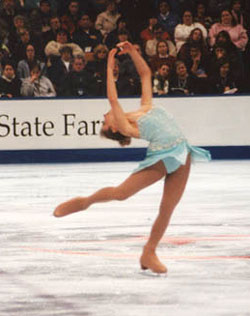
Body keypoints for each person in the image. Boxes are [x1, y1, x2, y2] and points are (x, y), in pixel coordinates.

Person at [53, 41, 211, 274]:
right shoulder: (126, 126)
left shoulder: (145, 106)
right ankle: (84, 202)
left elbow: (145, 73)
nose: (105, 118)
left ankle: (149, 252)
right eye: (106, 123)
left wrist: (133, 52)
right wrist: (109, 64)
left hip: (182, 153)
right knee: (121, 193)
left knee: (167, 208)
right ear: (114, 128)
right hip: (161, 157)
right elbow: (113, 99)